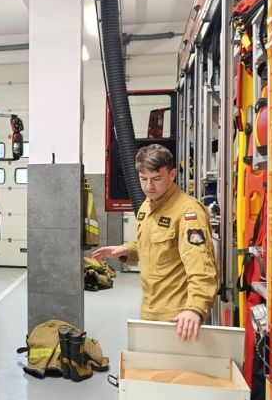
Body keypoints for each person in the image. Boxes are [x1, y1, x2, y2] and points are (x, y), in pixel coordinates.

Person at [91, 144, 218, 342]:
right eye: (143, 179)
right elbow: (152, 244)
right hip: (150, 307)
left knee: (173, 372)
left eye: (156, 179)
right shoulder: (147, 205)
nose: (149, 186)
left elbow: (202, 266)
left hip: (179, 316)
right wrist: (126, 249)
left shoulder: (187, 212)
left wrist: (195, 308)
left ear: (172, 174)